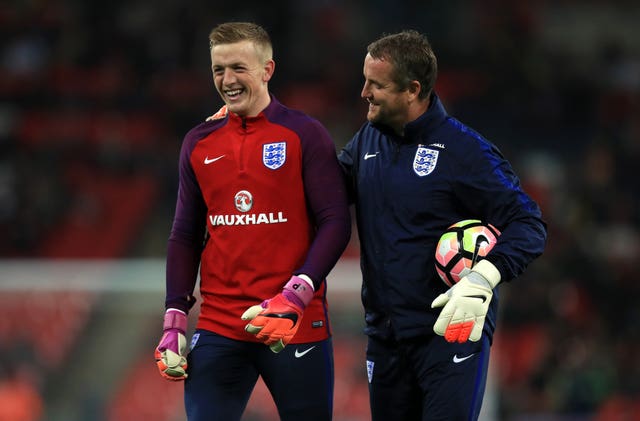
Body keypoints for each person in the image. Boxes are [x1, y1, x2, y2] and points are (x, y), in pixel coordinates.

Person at [338, 30, 547, 420]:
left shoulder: (465, 151)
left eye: (375, 84)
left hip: (449, 333)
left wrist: (483, 277)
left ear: (412, 90)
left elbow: (528, 224)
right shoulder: (368, 138)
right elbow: (326, 192)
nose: (363, 92)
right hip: (386, 338)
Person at [154, 22, 351, 421]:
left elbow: (335, 221)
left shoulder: (304, 134)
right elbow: (184, 235)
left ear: (267, 70)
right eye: (218, 70)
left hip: (295, 323)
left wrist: (298, 294)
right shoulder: (198, 142)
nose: (227, 80)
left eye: (238, 68)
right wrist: (174, 317)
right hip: (220, 324)